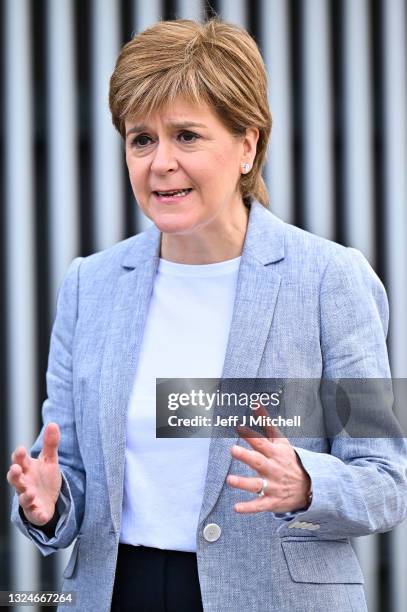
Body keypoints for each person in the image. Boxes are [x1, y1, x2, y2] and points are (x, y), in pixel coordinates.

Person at [7, 17, 407, 612]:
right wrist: (48, 501)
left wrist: (307, 482)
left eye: (187, 136)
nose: (160, 162)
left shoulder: (330, 279)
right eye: (141, 139)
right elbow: (66, 468)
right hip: (117, 593)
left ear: (247, 145)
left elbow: (384, 479)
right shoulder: (90, 285)